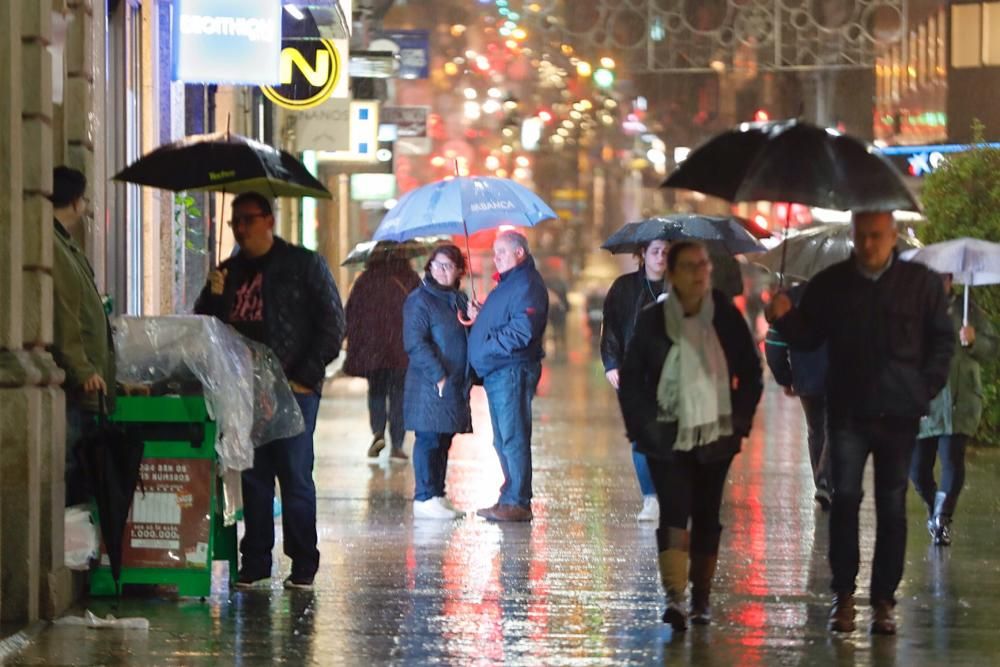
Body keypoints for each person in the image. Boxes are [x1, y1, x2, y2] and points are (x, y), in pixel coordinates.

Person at [768, 211, 954, 635]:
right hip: (849, 409)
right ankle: (844, 595)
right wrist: (783, 316)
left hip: (899, 412)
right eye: (862, 236)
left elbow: (941, 341)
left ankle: (884, 601)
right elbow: (809, 337)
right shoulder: (831, 284)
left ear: (892, 238)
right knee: (844, 499)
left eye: (877, 236)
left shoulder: (919, 284)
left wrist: (925, 387)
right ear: (853, 237)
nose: (869, 244)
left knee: (892, 506)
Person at [195, 191, 345, 589]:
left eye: (247, 219)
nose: (240, 229)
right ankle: (256, 561)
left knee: (295, 476)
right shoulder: (228, 272)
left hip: (293, 388)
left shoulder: (303, 264)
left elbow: (333, 324)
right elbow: (205, 330)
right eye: (235, 222)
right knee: (254, 477)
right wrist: (212, 294)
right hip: (244, 390)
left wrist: (305, 376)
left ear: (268, 220)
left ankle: (303, 564)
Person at [618, 241, 762, 632]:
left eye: (703, 265)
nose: (698, 272)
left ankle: (701, 599)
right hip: (666, 436)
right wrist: (644, 427)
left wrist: (739, 423)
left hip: (715, 435)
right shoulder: (652, 320)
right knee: (674, 512)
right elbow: (633, 380)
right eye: (688, 266)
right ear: (672, 273)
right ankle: (675, 597)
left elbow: (750, 372)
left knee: (707, 516)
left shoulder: (725, 316)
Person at [468, 230, 549, 522]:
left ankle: (518, 500)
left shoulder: (526, 284)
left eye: (502, 251)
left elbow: (522, 330)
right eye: (494, 251)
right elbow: (504, 320)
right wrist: (482, 314)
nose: (496, 257)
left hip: (511, 370)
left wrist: (487, 349)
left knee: (513, 437)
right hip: (498, 370)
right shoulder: (509, 284)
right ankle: (509, 495)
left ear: (519, 253)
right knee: (502, 440)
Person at [911, 273, 997, 546]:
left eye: (944, 277)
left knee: (952, 460)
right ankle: (935, 506)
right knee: (917, 469)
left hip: (961, 400)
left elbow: (993, 347)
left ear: (951, 280)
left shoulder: (968, 309)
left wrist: (973, 341)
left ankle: (942, 518)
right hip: (925, 401)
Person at [50, 166, 116, 506]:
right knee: (74, 476)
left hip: (89, 384)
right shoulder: (56, 246)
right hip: (78, 388)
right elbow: (65, 314)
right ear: (75, 202)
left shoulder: (65, 244)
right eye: (85, 200)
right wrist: (83, 369)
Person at [601, 239, 669, 522]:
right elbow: (611, 326)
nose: (661, 257)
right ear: (642, 253)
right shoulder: (624, 288)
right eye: (655, 251)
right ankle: (651, 498)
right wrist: (611, 364)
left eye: (666, 251)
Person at [403, 245, 473, 520]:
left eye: (449, 266)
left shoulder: (458, 299)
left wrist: (474, 319)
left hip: (454, 383)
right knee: (429, 437)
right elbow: (415, 343)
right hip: (430, 383)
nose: (443, 271)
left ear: (459, 271)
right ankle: (424, 495)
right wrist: (438, 375)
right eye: (438, 265)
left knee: (444, 438)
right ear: (429, 267)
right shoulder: (419, 300)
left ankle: (437, 493)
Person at [343, 256, 420, 461]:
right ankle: (397, 444)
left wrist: (349, 339)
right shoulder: (409, 278)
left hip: (373, 349)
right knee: (399, 395)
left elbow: (351, 313)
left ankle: (378, 431)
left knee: (376, 392)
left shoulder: (366, 280)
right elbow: (421, 309)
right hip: (401, 348)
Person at [764, 281, 832, 510]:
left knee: (816, 429)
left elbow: (773, 345)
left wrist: (785, 377)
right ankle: (824, 482)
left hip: (806, 379)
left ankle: (823, 483)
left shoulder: (788, 300)